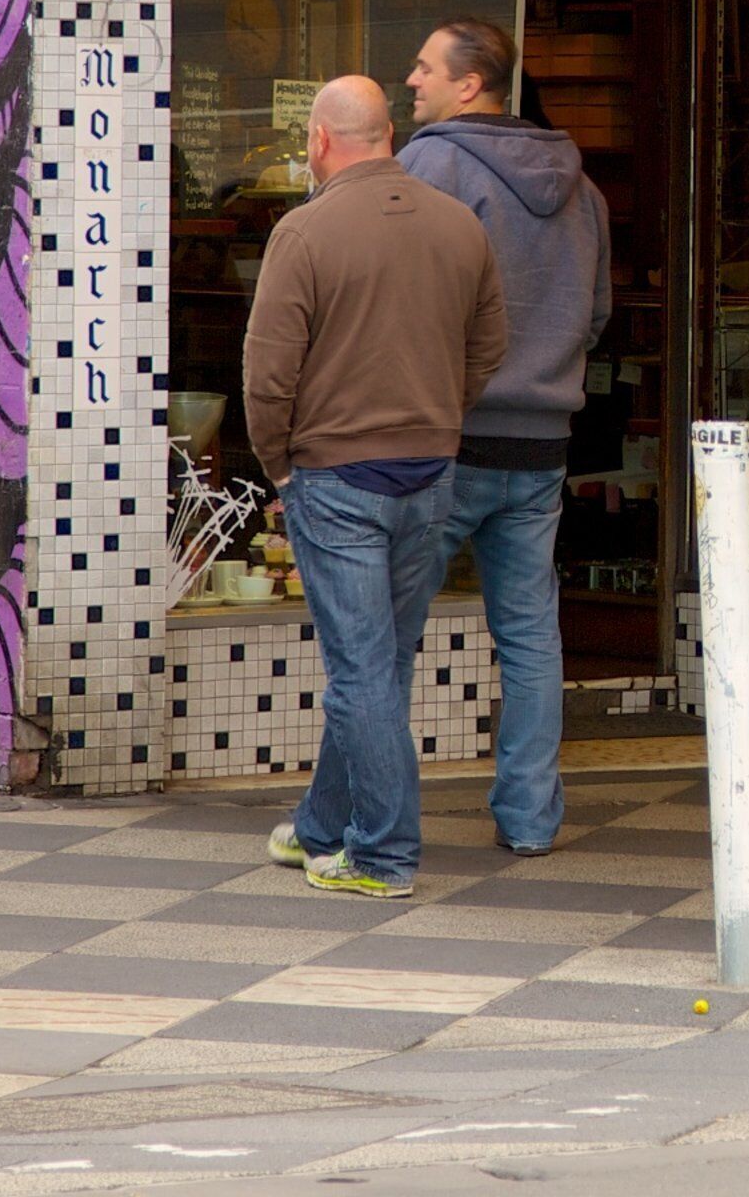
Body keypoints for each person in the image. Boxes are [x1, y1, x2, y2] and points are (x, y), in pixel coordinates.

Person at [246, 78, 509, 899]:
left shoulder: (305, 230)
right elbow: (490, 345)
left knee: (362, 671)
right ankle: (322, 827)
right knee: (380, 663)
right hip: (430, 471)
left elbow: (266, 377)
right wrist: (439, 416)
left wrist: (279, 467)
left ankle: (382, 854)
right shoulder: (460, 225)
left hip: (334, 477)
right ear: (390, 134)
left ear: (321, 141)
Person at [398, 18, 610, 859]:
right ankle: (528, 819)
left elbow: (399, 298)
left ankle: (366, 820)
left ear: (469, 85)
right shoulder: (584, 190)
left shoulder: (429, 166)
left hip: (450, 438)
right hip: (543, 445)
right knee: (530, 641)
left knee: (387, 636)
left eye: (423, 68)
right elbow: (594, 316)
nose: (410, 81)